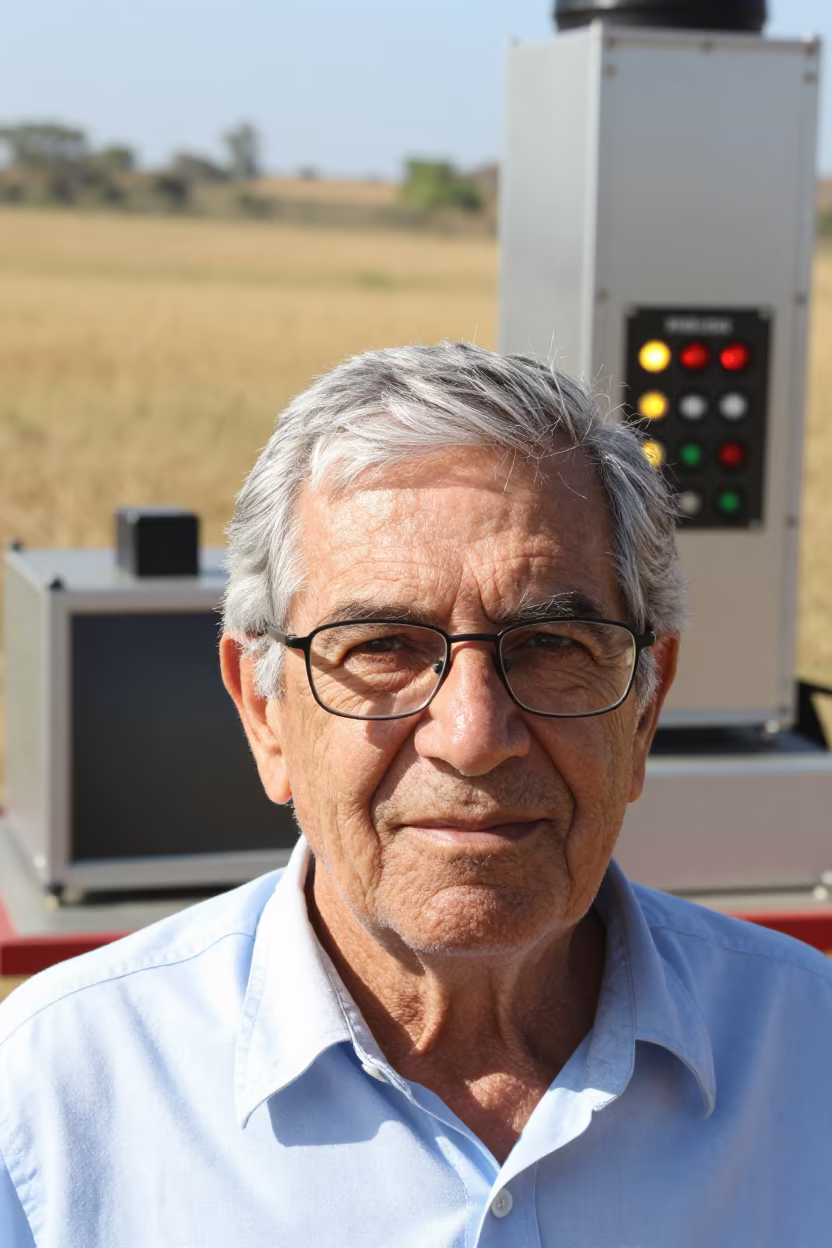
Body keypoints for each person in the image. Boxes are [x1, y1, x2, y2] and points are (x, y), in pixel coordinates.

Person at [0, 343, 830, 1247]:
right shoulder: (50, 1102)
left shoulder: (809, 1053)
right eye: (383, 647)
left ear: (644, 708)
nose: (473, 736)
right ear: (264, 713)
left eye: (551, 646)